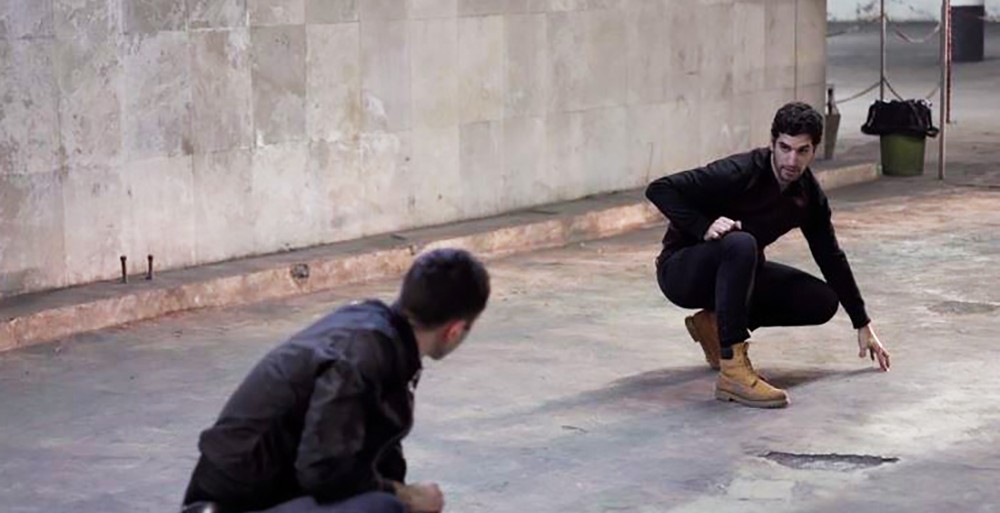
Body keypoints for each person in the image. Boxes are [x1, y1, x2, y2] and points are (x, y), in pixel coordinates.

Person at [180, 248, 491, 513]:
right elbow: (324, 472)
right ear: (454, 330)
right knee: (384, 507)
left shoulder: (379, 331)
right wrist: (406, 496)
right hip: (231, 506)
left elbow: (372, 453)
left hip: (268, 493)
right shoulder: (365, 354)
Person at [645, 101, 891, 409]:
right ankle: (733, 370)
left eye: (802, 151)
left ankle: (714, 324)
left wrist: (862, 322)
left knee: (822, 300)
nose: (792, 160)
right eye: (785, 148)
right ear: (773, 143)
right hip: (682, 272)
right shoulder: (739, 171)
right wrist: (703, 226)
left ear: (814, 150)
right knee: (742, 244)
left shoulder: (809, 196)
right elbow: (660, 188)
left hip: (732, 275)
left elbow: (830, 256)